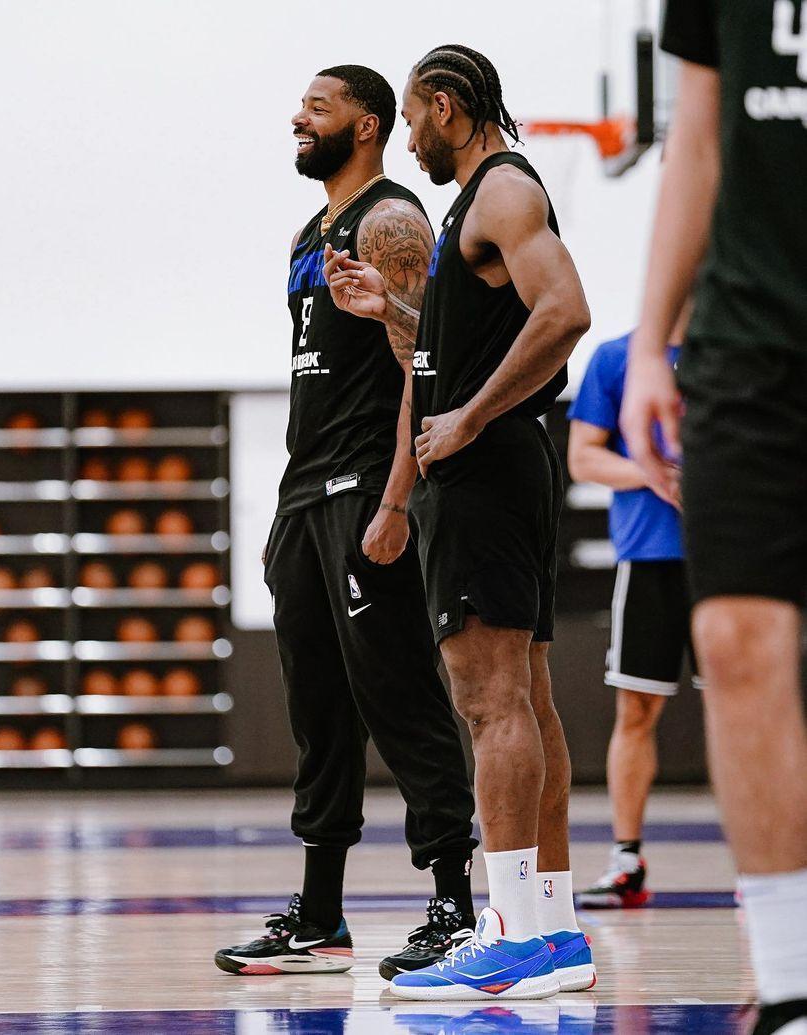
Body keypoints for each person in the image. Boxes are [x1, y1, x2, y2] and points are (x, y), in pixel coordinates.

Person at [325, 44, 595, 1000]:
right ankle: (553, 929)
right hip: (496, 471)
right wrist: (391, 306)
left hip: (486, 471)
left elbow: (566, 311)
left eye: (410, 119)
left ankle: (510, 932)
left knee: (491, 705)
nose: (407, 139)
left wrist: (472, 416)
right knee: (525, 698)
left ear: (445, 106)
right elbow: (456, 342)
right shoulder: (474, 208)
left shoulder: (504, 192)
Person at [214, 64, 478, 979]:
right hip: (305, 495)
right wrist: (286, 511)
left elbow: (425, 363)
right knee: (319, 713)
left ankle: (454, 904)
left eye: (317, 107)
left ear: (365, 125)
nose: (299, 117)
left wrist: (398, 497)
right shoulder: (308, 233)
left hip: (368, 486)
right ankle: (321, 918)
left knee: (399, 695)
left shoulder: (392, 220)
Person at [620, 5, 807, 1033]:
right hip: (748, 338)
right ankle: (790, 985)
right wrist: (654, 341)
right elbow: (696, 133)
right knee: (735, 637)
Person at [567, 309, 698, 909]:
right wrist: (655, 474)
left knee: (747, 707)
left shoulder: (737, 347)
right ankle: (626, 861)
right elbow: (583, 458)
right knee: (637, 710)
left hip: (731, 556)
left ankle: (770, 865)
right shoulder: (619, 357)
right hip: (649, 556)